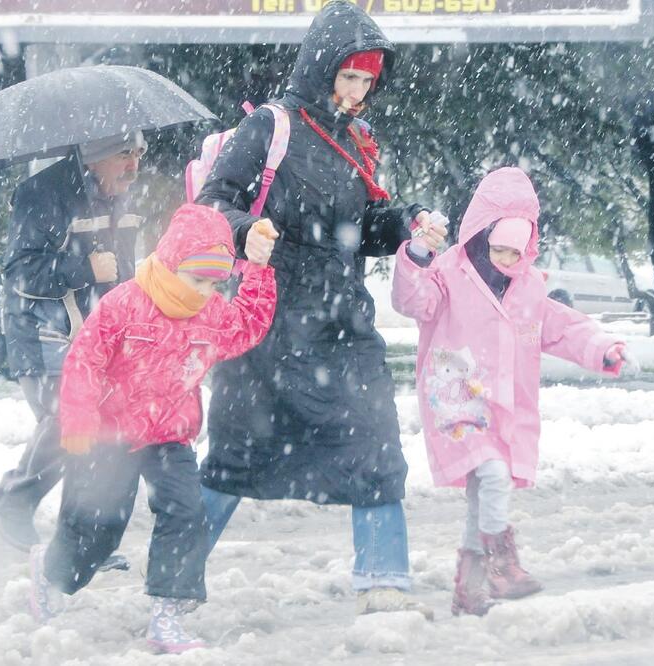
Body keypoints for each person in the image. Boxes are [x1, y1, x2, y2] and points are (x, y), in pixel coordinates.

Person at [196, 1, 441, 618]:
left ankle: (383, 580)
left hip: (342, 322)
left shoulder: (357, 139)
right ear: (321, 67)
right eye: (349, 76)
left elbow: (358, 227)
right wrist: (244, 228)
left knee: (376, 444)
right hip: (268, 321)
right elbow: (210, 205)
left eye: (368, 81)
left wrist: (408, 222)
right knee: (233, 457)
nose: (358, 92)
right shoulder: (270, 128)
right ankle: (173, 572)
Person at [27, 203, 278, 654]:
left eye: (213, 283)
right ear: (171, 264)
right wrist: (80, 419)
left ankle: (168, 612)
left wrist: (257, 269)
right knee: (97, 527)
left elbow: (248, 326)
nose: (204, 292)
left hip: (170, 435)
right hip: (109, 433)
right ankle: (53, 576)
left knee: (185, 513)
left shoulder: (212, 313)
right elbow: (86, 358)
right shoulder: (126, 303)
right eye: (196, 279)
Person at [391, 167, 629, 616]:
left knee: (482, 492)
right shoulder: (447, 274)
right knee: (494, 475)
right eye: (497, 249)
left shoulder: (529, 290)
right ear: (481, 237)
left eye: (514, 253)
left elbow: (563, 328)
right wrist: (418, 255)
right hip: (456, 394)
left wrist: (604, 349)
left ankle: (470, 586)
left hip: (503, 404)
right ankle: (502, 562)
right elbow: (412, 302)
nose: (504, 261)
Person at [0, 132, 147, 554]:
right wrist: (84, 268)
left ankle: (76, 543)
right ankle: (17, 504)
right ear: (94, 157)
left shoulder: (118, 196)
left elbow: (123, 273)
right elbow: (21, 272)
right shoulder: (43, 194)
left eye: (140, 154)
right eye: (124, 155)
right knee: (67, 424)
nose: (135, 166)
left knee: (88, 434)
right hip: (41, 334)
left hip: (92, 336)